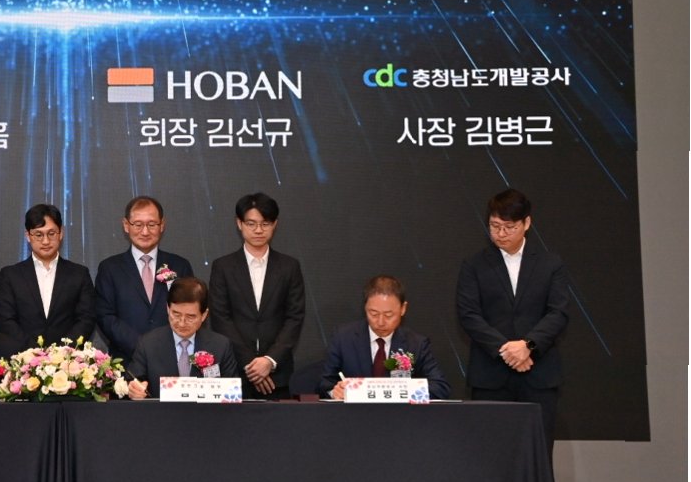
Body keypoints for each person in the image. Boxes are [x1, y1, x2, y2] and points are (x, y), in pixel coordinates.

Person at [457, 188, 570, 456]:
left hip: (539, 376)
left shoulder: (550, 264)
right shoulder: (474, 265)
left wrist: (528, 345)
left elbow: (559, 313)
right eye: (495, 226)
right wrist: (507, 350)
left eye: (509, 227)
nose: (501, 233)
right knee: (490, 456)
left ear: (526, 223)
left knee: (537, 455)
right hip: (491, 376)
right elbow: (468, 314)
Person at [208, 192, 306, 399]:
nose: (259, 230)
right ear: (239, 223)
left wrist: (269, 361)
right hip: (235, 372)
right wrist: (251, 366)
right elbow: (220, 318)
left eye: (265, 223)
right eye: (251, 224)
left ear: (275, 224)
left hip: (277, 375)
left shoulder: (289, 267)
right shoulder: (223, 267)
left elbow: (294, 317)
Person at [95, 196, 195, 368]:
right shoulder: (109, 268)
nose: (145, 232)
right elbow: (106, 317)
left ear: (162, 225)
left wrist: (164, 347)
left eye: (152, 224)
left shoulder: (180, 266)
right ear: (126, 225)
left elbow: (191, 312)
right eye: (138, 224)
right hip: (126, 364)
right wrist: (143, 347)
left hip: (173, 360)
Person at [320, 275, 451, 400]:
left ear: (403, 309)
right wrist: (334, 392)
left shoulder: (416, 344)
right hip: (355, 413)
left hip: (399, 414)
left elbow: (440, 387)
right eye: (373, 313)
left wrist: (401, 391)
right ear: (365, 308)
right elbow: (324, 383)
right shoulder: (343, 337)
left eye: (388, 315)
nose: (381, 322)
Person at [0, 204, 96, 346]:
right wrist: (34, 354)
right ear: (28, 236)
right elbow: (6, 321)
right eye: (38, 235)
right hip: (22, 356)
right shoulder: (10, 275)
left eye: (51, 233)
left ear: (61, 233)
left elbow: (86, 319)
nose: (46, 241)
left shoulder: (79, 274)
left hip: (68, 357)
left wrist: (61, 352)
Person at [127, 277, 239, 400]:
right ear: (168, 309)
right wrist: (134, 390)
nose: (181, 323)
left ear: (204, 315)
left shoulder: (220, 346)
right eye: (176, 314)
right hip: (161, 412)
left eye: (190, 317)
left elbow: (231, 394)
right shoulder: (148, 343)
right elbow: (134, 380)